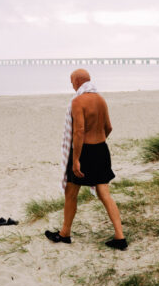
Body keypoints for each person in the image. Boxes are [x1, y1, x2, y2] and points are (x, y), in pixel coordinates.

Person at [45, 69, 126, 250]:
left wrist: (76, 159)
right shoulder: (100, 100)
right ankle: (120, 237)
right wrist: (98, 142)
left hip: (84, 152)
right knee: (105, 194)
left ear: (78, 81)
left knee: (71, 193)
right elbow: (109, 127)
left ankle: (65, 233)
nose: (71, 85)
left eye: (72, 81)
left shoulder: (78, 101)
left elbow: (79, 131)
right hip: (101, 149)